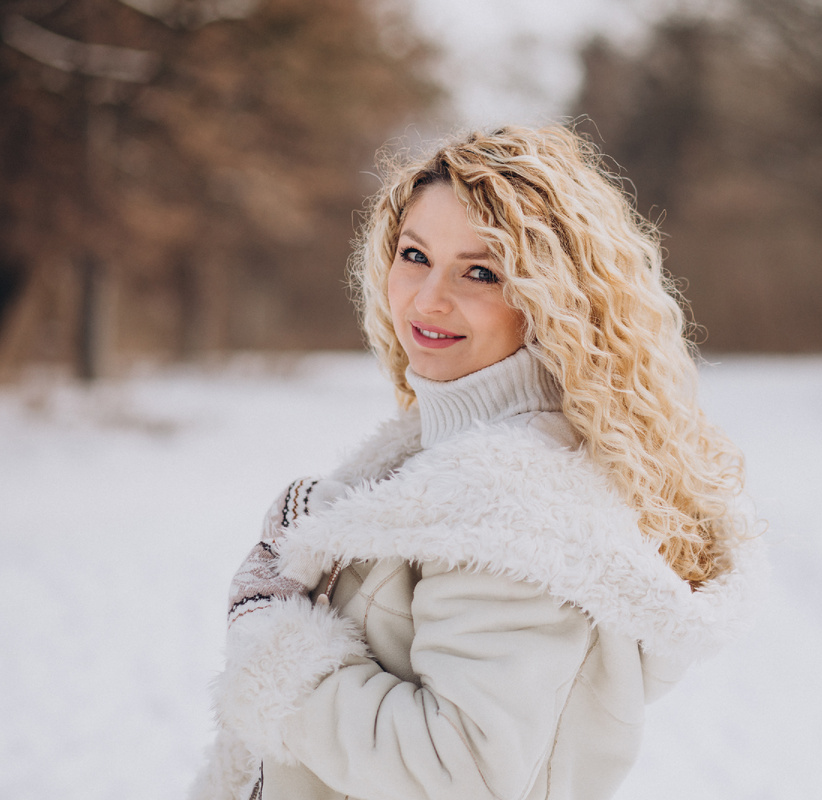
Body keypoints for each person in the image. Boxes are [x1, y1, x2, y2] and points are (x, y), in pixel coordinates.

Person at [190, 125, 761, 800]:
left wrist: (272, 636)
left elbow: (461, 775)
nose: (429, 298)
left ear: (551, 297)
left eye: (481, 271)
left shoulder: (506, 505)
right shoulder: (451, 466)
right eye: (414, 255)